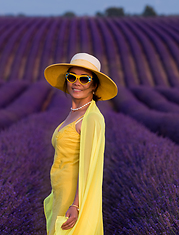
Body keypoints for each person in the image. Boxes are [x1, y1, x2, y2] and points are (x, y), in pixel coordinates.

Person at [43, 53, 118, 235]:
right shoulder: (74, 113)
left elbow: (89, 166)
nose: (77, 82)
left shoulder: (91, 118)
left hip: (72, 196)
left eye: (84, 79)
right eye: (72, 77)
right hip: (60, 191)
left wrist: (76, 205)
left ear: (94, 85)